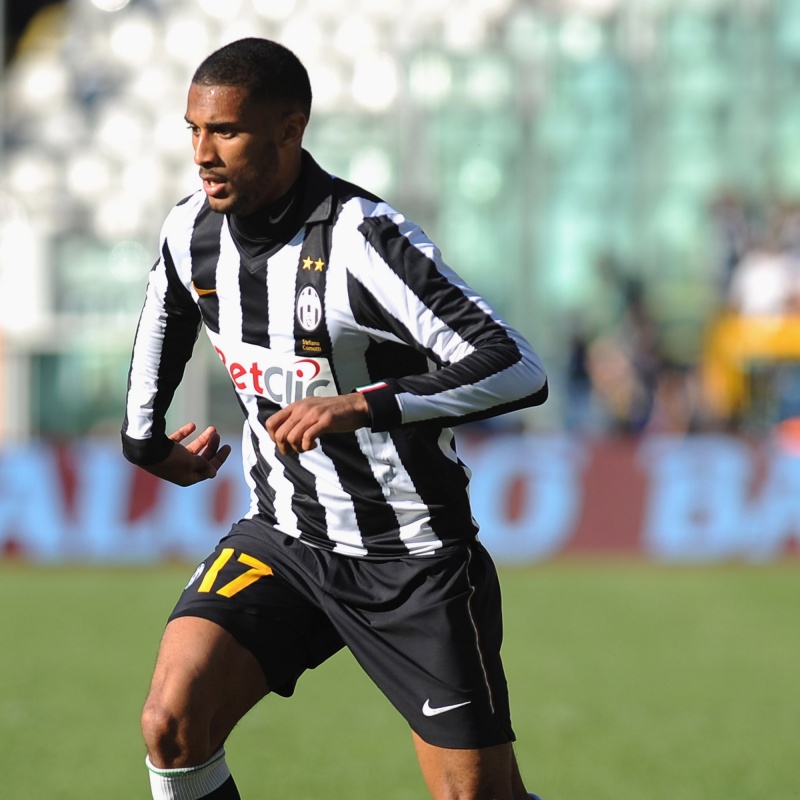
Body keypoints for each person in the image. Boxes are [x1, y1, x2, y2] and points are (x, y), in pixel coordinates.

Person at [121, 37, 549, 800]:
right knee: (171, 722)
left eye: (227, 131)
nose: (203, 154)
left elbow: (516, 365)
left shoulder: (363, 239)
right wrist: (143, 439)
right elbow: (166, 314)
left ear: (291, 129)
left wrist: (362, 405)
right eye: (194, 130)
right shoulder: (191, 231)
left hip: (410, 558)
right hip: (284, 538)